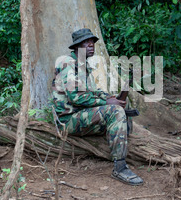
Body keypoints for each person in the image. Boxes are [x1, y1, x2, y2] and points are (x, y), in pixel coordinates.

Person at [52, 28, 143, 186]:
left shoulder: (82, 65)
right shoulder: (68, 64)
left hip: (82, 115)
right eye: (85, 42)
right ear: (76, 46)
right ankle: (119, 167)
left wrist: (110, 98)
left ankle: (125, 145)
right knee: (114, 110)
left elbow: (93, 93)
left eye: (92, 42)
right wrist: (108, 103)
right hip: (68, 121)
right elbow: (76, 97)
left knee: (121, 103)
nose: (91, 45)